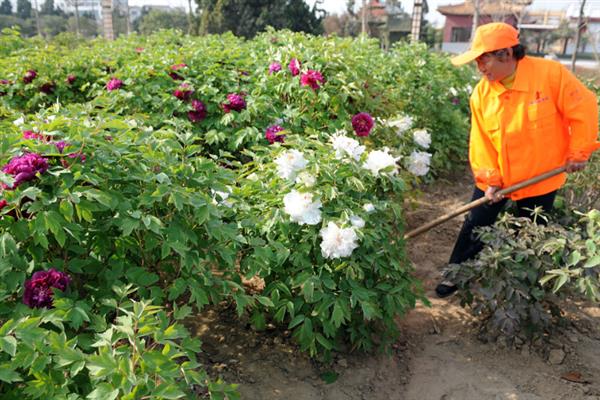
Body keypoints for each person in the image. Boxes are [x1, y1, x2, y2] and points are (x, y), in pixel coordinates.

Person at [435, 22, 600, 298]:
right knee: (475, 224)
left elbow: (583, 108)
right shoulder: (481, 94)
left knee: (531, 233)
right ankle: (456, 274)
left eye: (483, 59)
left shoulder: (550, 75)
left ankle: (521, 287)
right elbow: (481, 142)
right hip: (499, 178)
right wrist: (490, 180)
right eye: (476, 61)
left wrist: (579, 151)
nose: (480, 68)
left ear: (506, 54)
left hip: (541, 176)